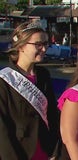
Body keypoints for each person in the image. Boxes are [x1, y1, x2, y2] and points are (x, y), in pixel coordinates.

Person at [0, 21, 60, 159]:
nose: (44, 49)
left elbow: (52, 115)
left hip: (45, 151)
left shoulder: (44, 75)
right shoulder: (4, 80)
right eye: (38, 44)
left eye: (45, 44)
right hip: (19, 151)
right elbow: (2, 129)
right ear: (21, 46)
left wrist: (55, 150)